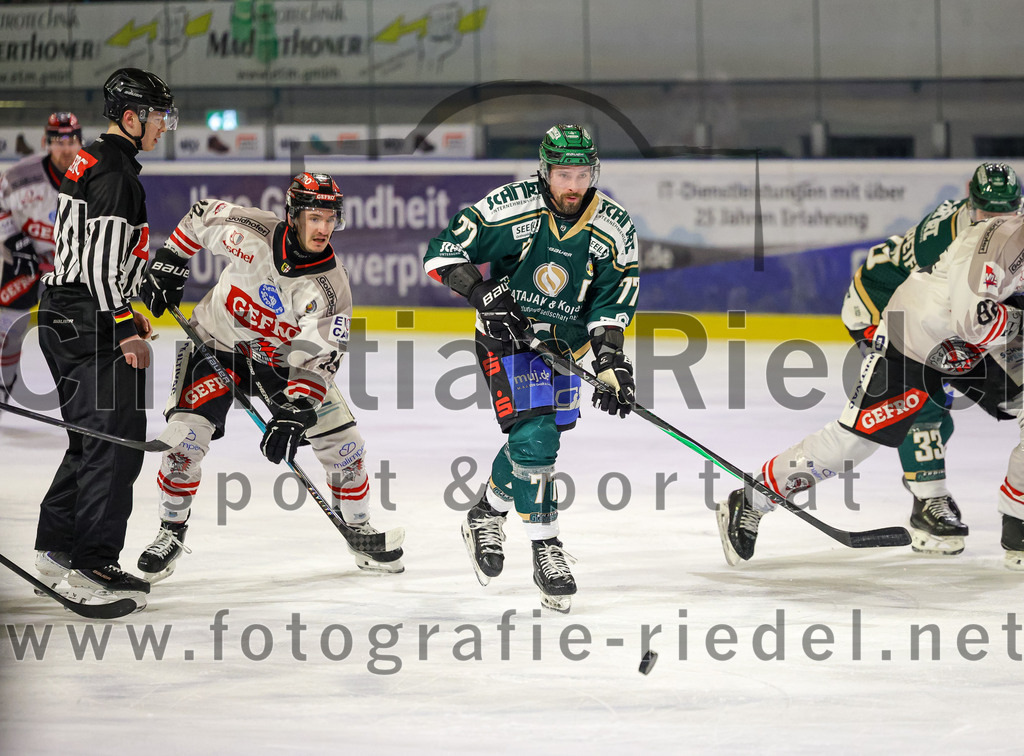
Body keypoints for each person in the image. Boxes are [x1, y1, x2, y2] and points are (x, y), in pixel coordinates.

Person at [135, 172, 404, 582]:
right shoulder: (251, 231)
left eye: (330, 219)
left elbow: (319, 357)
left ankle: (359, 528)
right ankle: (170, 531)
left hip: (282, 361)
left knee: (344, 447)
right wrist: (171, 258)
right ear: (293, 216)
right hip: (215, 343)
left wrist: (297, 410)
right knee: (184, 441)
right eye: (314, 218)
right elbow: (201, 215)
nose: (323, 228)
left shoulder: (331, 287)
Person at [719, 211, 1024, 571]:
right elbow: (972, 320)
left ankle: (1018, 524)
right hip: (914, 340)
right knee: (852, 444)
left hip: (976, 347)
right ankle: (753, 498)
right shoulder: (998, 239)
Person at [423, 124, 639, 612]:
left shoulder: (615, 226)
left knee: (537, 440)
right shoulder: (511, 206)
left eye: (581, 175)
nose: (573, 186)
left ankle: (486, 512)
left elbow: (612, 301)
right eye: (563, 174)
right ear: (545, 172)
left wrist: (610, 363)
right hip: (508, 338)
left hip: (566, 348)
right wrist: (481, 291)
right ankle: (547, 549)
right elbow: (442, 252)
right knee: (537, 436)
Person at [33, 68, 177, 610]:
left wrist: (128, 303)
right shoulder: (116, 173)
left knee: (89, 441)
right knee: (115, 445)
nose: (163, 126)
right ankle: (93, 562)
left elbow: (91, 256)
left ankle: (58, 548)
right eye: (158, 116)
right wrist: (122, 324)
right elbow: (98, 263)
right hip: (90, 321)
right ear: (132, 117)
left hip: (65, 313)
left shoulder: (94, 158)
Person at [840, 163, 1022, 553]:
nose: (997, 219)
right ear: (970, 203)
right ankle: (928, 500)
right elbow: (968, 316)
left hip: (942, 315)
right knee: (923, 397)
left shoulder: (999, 231)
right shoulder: (955, 240)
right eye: (987, 210)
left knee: (1006, 395)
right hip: (882, 304)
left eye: (1007, 209)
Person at [0, 112, 83, 406]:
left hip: (71, 270)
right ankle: (3, 383)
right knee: (7, 327)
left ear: (80, 142)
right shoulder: (21, 176)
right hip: (26, 262)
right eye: (58, 141)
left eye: (71, 141)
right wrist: (14, 239)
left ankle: (83, 396)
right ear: (46, 142)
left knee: (76, 335)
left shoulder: (94, 176)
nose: (65, 149)